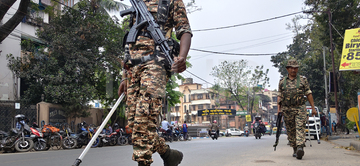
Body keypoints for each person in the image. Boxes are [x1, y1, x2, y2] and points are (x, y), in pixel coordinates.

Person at [117, 0, 191, 165]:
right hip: (132, 67)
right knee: (134, 124)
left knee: (144, 118)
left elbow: (184, 30)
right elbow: (129, 41)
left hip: (156, 63)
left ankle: (143, 162)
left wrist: (182, 57)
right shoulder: (137, 2)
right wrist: (124, 75)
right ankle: (167, 153)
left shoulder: (171, 1)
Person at [277, 59, 317, 160]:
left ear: (298, 69)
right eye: (291, 68)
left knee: (300, 127)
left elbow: (308, 93)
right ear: (287, 69)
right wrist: (279, 109)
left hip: (300, 108)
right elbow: (279, 96)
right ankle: (295, 148)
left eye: (295, 68)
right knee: (291, 130)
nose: (293, 70)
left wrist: (313, 108)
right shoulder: (282, 82)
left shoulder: (303, 80)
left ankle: (300, 147)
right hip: (287, 109)